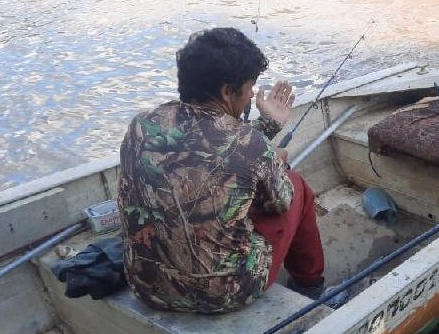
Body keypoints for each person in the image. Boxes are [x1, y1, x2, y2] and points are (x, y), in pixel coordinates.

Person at [118, 27, 327, 314]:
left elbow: (210, 147)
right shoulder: (250, 144)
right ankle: (310, 284)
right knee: (296, 185)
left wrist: (268, 127)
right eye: (250, 86)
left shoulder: (142, 125)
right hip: (224, 294)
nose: (252, 94)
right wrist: (277, 163)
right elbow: (280, 202)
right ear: (227, 91)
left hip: (146, 287)